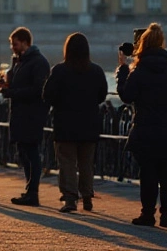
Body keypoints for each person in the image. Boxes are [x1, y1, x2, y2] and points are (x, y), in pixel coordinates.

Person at [116, 23, 167, 228]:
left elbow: (126, 96)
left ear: (142, 44)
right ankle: (166, 215)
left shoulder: (139, 71)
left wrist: (123, 68)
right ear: (162, 43)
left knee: (148, 174)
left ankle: (147, 214)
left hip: (145, 131)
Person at [43, 32, 108, 213]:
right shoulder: (96, 71)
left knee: (67, 163)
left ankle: (70, 199)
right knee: (86, 163)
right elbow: (102, 95)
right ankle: (87, 197)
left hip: (65, 124)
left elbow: (47, 95)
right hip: (89, 124)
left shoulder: (59, 70)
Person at [0, 26, 50, 207]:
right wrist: (6, 85)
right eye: (12, 44)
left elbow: (38, 90)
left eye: (15, 44)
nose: (13, 47)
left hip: (32, 115)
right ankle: (29, 189)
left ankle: (33, 192)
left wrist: (12, 92)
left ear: (25, 42)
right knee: (24, 152)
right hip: (21, 114)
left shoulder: (38, 62)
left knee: (32, 153)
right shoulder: (21, 61)